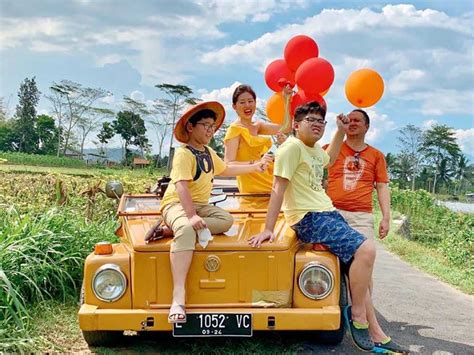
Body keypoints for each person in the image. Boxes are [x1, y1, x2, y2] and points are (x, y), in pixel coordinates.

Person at [248, 101, 396, 352]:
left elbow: (329, 159)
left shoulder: (313, 149)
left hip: (327, 212)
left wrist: (338, 130)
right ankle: (357, 316)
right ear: (295, 125)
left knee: (355, 267)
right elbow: (277, 188)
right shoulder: (291, 148)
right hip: (310, 217)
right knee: (367, 250)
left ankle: (374, 332)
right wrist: (268, 228)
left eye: (321, 122)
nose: (317, 125)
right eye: (311, 120)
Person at [157, 101, 268, 323]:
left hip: (200, 205)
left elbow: (227, 169)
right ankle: (178, 298)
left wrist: (255, 166)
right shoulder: (183, 154)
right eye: (205, 125)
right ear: (190, 127)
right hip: (176, 204)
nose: (210, 130)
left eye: (212, 126)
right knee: (188, 228)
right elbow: (181, 187)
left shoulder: (208, 152)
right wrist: (191, 216)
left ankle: (173, 230)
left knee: (226, 220)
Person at [325, 109, 408, 354]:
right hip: (333, 213)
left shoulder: (376, 155)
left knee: (363, 273)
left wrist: (386, 216)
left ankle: (363, 324)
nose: (352, 123)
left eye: (357, 120)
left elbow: (382, 187)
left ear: (367, 127)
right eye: (349, 119)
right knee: (348, 270)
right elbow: (309, 161)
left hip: (362, 216)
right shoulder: (332, 146)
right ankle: (372, 329)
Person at [224, 84, 287, 193]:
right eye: (242, 102)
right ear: (234, 106)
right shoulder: (234, 130)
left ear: (255, 103)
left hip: (270, 182)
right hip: (253, 190)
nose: (247, 105)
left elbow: (286, 128)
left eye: (250, 101)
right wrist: (255, 163)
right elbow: (228, 165)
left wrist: (287, 99)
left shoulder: (258, 125)